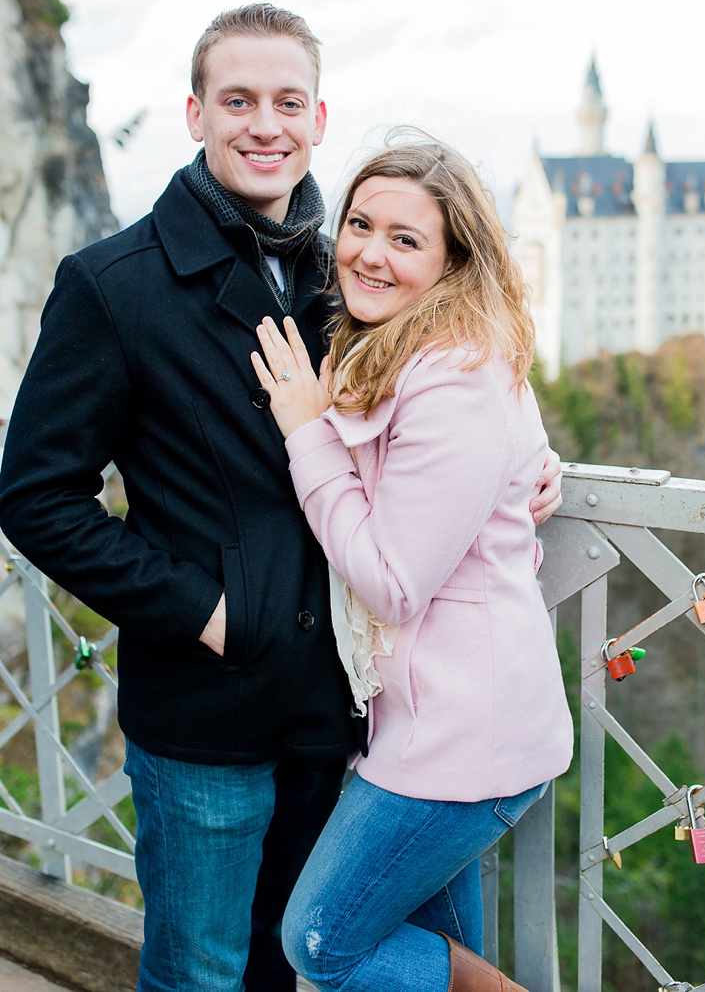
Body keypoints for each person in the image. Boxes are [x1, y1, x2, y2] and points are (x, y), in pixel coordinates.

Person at [0, 5, 562, 992]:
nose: (265, 124)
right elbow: (37, 497)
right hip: (207, 706)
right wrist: (203, 614)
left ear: (317, 118)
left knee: (304, 963)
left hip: (351, 713)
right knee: (203, 971)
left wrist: (532, 454)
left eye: (287, 102)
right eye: (238, 100)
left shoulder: (353, 260)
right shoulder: (112, 284)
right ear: (195, 113)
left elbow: (467, 358)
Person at [248, 134, 573, 992]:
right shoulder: (402, 349)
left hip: (464, 735)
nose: (370, 253)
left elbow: (392, 578)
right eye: (360, 225)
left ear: (452, 261)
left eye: (406, 239)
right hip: (435, 720)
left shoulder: (453, 373)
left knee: (321, 942)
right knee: (436, 947)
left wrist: (305, 434)